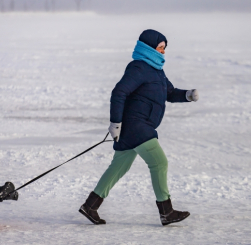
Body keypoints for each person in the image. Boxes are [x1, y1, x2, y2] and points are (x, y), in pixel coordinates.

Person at [79, 29, 199, 226]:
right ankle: (166, 211)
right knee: (159, 163)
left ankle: (90, 206)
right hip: (137, 125)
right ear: (149, 48)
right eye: (161, 48)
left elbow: (170, 92)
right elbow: (119, 92)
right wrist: (115, 122)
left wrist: (187, 95)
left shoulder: (156, 70)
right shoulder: (139, 67)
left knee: (119, 167)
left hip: (135, 127)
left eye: (164, 48)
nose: (163, 52)